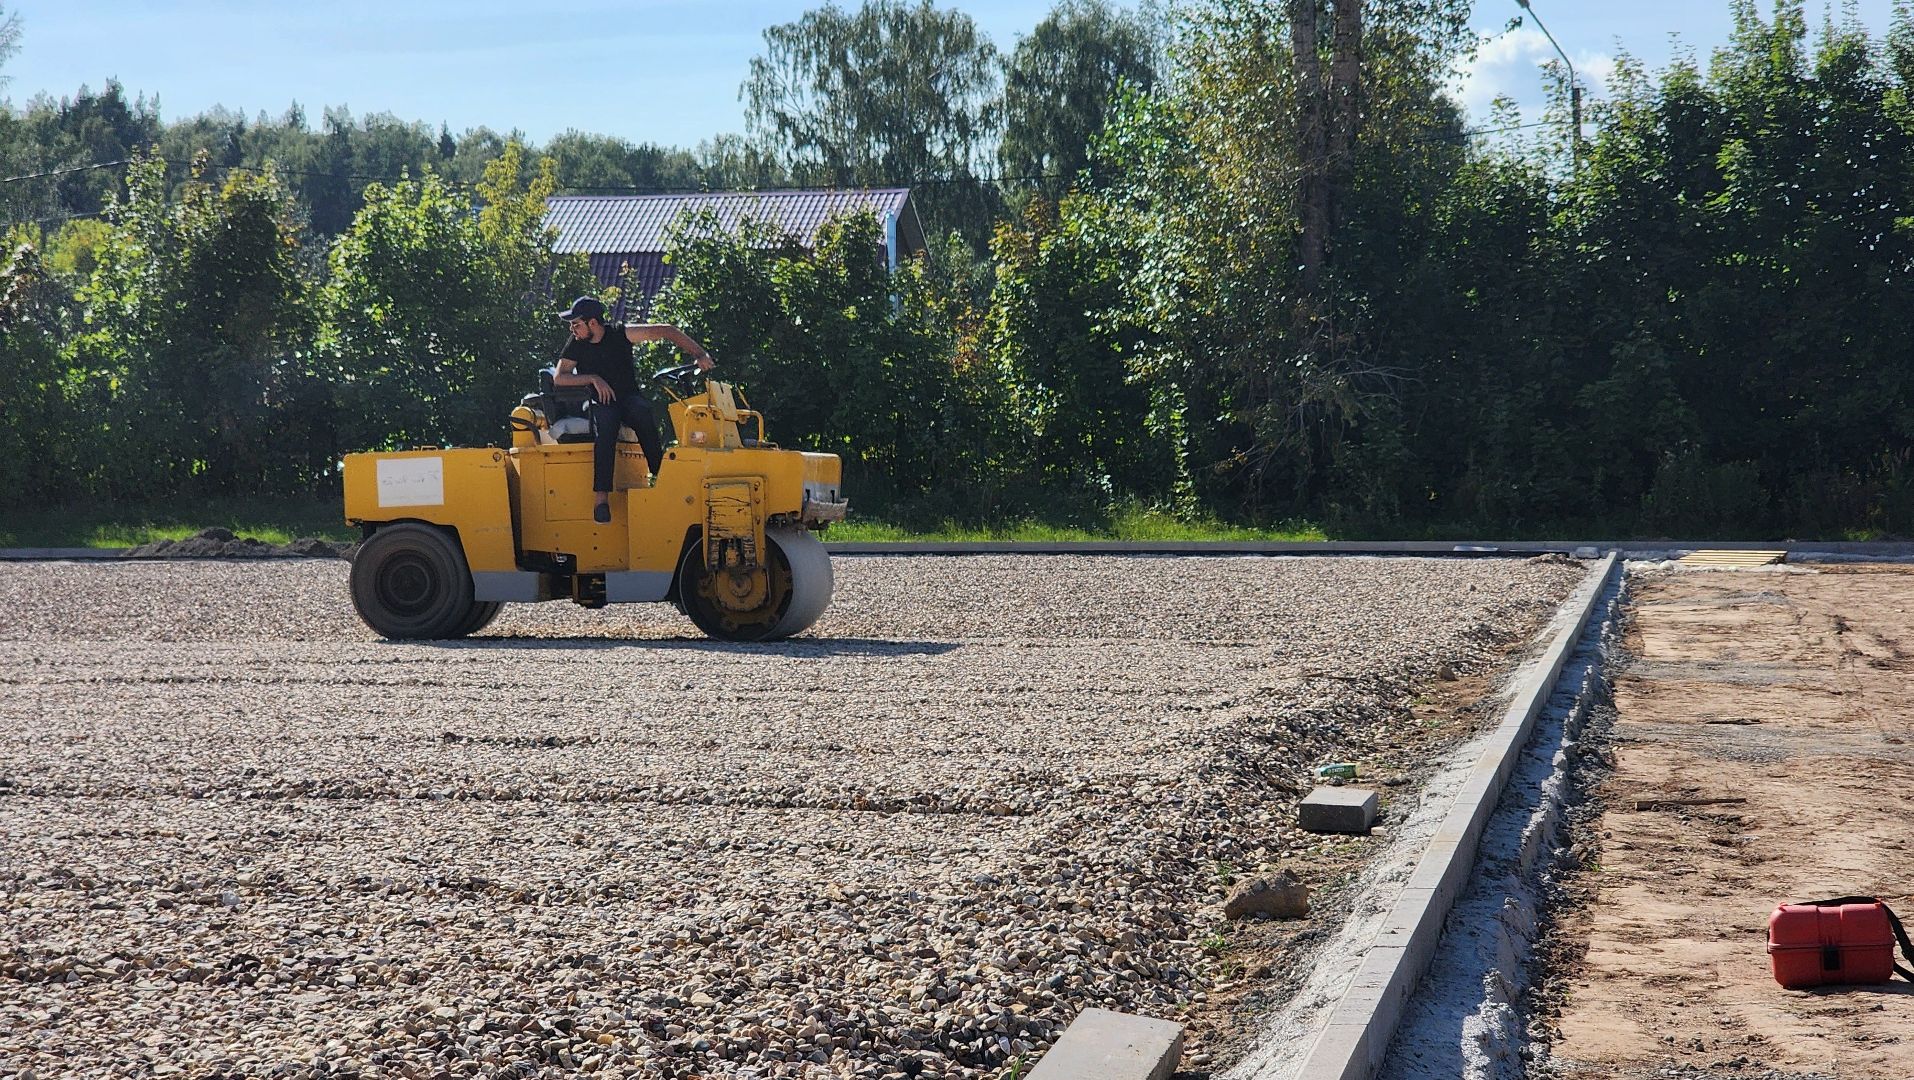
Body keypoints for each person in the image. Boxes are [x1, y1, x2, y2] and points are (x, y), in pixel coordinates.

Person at [551, 296, 715, 523]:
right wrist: (594, 379)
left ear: (593, 323)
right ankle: (601, 499)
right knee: (606, 424)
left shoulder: (620, 334)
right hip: (601, 401)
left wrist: (700, 354)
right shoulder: (576, 343)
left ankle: (661, 477)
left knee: (642, 411)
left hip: (628, 397)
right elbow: (560, 378)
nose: (572, 328)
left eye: (576, 323)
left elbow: (667, 330)